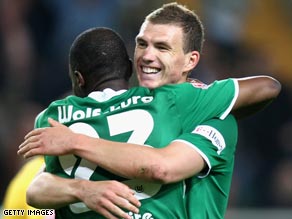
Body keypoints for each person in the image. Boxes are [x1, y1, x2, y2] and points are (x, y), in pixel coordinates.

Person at [18, 2, 281, 219]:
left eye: (162, 47)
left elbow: (161, 167)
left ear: (191, 61)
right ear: (129, 64)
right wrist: (83, 189)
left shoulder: (212, 117)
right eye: (142, 44)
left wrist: (74, 142)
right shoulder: (132, 108)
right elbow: (35, 190)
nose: (147, 55)